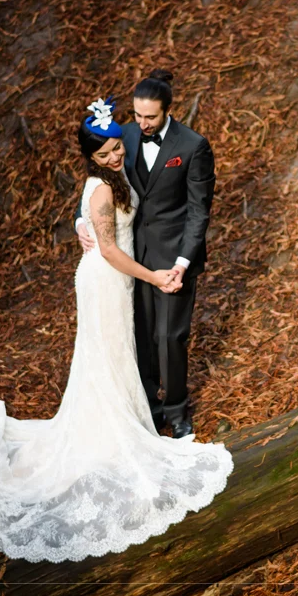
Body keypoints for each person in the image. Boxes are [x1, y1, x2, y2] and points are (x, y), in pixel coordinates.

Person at [0, 99, 233, 563]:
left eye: (117, 148)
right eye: (106, 154)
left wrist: (82, 220)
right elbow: (109, 250)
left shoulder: (116, 169)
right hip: (108, 279)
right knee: (108, 353)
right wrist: (151, 275)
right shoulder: (101, 190)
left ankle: (138, 415)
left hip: (121, 277)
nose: (116, 156)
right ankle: (115, 432)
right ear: (91, 158)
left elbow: (106, 204)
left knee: (115, 354)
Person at [77, 70, 214, 439]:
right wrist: (79, 220)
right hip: (130, 258)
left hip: (174, 258)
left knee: (171, 336)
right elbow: (97, 175)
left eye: (150, 116)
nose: (142, 123)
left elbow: (199, 210)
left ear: (168, 110)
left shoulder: (192, 146)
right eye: (137, 115)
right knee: (140, 335)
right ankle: (150, 409)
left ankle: (177, 409)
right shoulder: (123, 137)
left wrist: (183, 263)